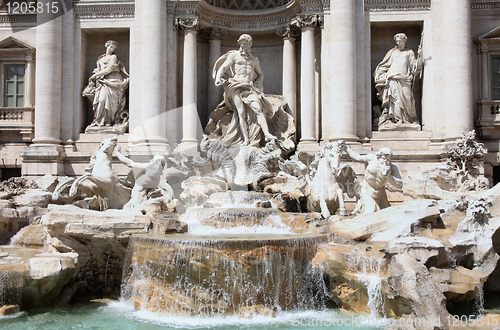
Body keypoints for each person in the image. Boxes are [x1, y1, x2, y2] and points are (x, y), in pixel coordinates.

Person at [212, 34, 276, 146]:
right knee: (240, 112)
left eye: (247, 43)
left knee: (258, 109)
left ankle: (267, 134)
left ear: (250, 44)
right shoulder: (234, 55)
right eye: (242, 43)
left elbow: (260, 74)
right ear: (239, 43)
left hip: (250, 88)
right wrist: (218, 78)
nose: (244, 45)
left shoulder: (254, 60)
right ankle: (245, 139)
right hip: (236, 85)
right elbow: (223, 67)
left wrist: (257, 83)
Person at [374, 33, 423, 126]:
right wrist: (379, 75)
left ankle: (408, 119)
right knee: (395, 99)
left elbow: (415, 67)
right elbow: (383, 65)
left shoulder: (409, 52)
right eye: (396, 41)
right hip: (392, 78)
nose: (398, 42)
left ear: (404, 41)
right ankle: (397, 120)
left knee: (407, 98)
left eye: (399, 40)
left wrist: (420, 56)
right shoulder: (392, 52)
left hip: (405, 79)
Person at [84, 40, 129, 128]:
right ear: (106, 46)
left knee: (110, 103)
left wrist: (96, 75)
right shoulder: (101, 59)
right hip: (102, 83)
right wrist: (95, 75)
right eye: (110, 47)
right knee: (101, 100)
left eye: (113, 48)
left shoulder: (114, 57)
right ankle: (99, 121)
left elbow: (109, 70)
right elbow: (98, 69)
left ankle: (108, 121)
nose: (111, 49)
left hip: (113, 81)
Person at [345, 146, 403, 214]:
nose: (385, 161)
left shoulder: (392, 168)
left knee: (388, 213)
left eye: (388, 159)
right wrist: (346, 148)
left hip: (380, 195)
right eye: (383, 158)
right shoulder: (371, 159)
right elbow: (357, 157)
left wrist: (389, 177)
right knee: (371, 211)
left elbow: (400, 185)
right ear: (379, 156)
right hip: (366, 191)